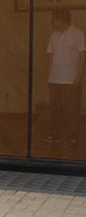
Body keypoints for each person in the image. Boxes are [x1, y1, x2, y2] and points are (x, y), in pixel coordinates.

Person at [46, 9, 85, 146]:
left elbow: (82, 55)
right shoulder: (54, 35)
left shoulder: (77, 34)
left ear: (62, 19)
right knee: (56, 108)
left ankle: (73, 136)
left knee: (72, 109)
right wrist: (49, 75)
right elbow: (50, 55)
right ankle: (56, 135)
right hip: (55, 78)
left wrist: (79, 76)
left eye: (54, 18)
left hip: (71, 78)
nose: (53, 22)